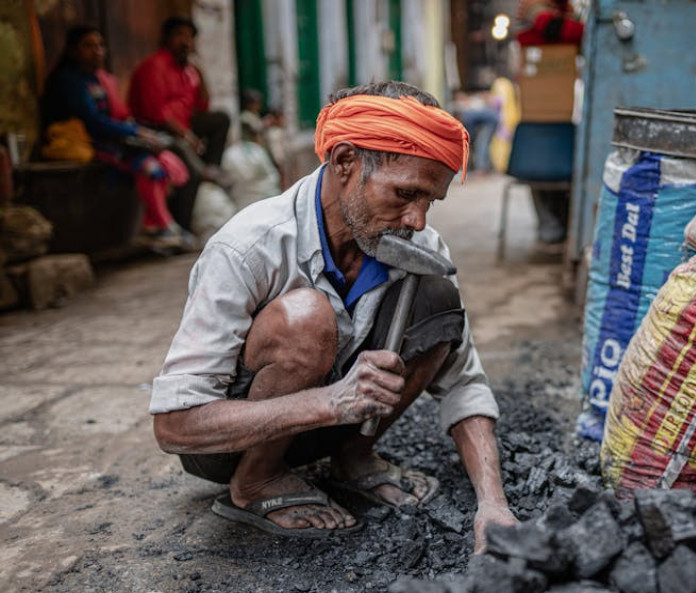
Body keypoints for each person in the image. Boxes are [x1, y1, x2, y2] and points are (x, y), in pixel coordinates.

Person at [149, 81, 519, 552]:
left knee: (437, 298)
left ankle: (353, 458)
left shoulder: (418, 246)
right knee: (307, 317)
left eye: (430, 201)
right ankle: (257, 480)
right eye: (405, 193)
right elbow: (174, 425)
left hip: (335, 426)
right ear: (345, 162)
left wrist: (493, 503)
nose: (417, 220)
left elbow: (463, 381)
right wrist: (329, 403)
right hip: (231, 442)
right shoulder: (249, 246)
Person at [40, 26, 191, 252]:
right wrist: (134, 132)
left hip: (109, 138)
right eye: (88, 46)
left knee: (162, 163)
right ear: (72, 51)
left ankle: (157, 224)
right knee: (150, 168)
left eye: (100, 45)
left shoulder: (97, 79)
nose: (97, 51)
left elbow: (115, 114)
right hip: (86, 144)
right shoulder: (69, 81)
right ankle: (161, 225)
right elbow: (92, 121)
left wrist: (136, 129)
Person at [128, 16, 231, 231]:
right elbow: (156, 114)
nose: (186, 42)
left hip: (182, 126)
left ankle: (210, 168)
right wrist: (186, 135)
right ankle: (182, 226)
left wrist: (200, 74)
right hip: (155, 129)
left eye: (190, 37)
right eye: (179, 35)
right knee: (191, 170)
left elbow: (202, 106)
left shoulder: (187, 71)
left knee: (221, 119)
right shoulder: (154, 67)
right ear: (166, 38)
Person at [515, 0, 584, 246]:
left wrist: (541, 16)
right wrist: (542, 18)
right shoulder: (530, 37)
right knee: (538, 168)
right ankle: (551, 228)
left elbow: (577, 33)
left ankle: (559, 227)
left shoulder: (573, 30)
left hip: (568, 119)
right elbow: (527, 39)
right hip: (539, 121)